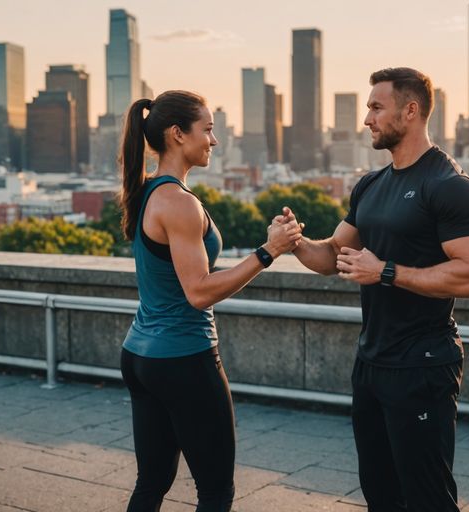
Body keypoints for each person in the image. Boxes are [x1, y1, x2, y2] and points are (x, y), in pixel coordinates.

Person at [283, 68, 469, 511]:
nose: (367, 119)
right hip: (372, 363)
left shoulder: (450, 186)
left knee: (428, 498)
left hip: (422, 365)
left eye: (376, 107)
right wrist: (295, 243)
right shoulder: (371, 185)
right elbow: (334, 253)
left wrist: (387, 272)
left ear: (410, 111)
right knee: (380, 494)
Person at [117, 90, 302, 512]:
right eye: (209, 129)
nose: (214, 141)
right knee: (216, 492)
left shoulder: (148, 190)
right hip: (184, 359)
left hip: (141, 356)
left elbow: (185, 275)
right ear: (178, 134)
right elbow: (198, 292)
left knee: (151, 483)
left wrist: (269, 246)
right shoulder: (180, 204)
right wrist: (267, 252)